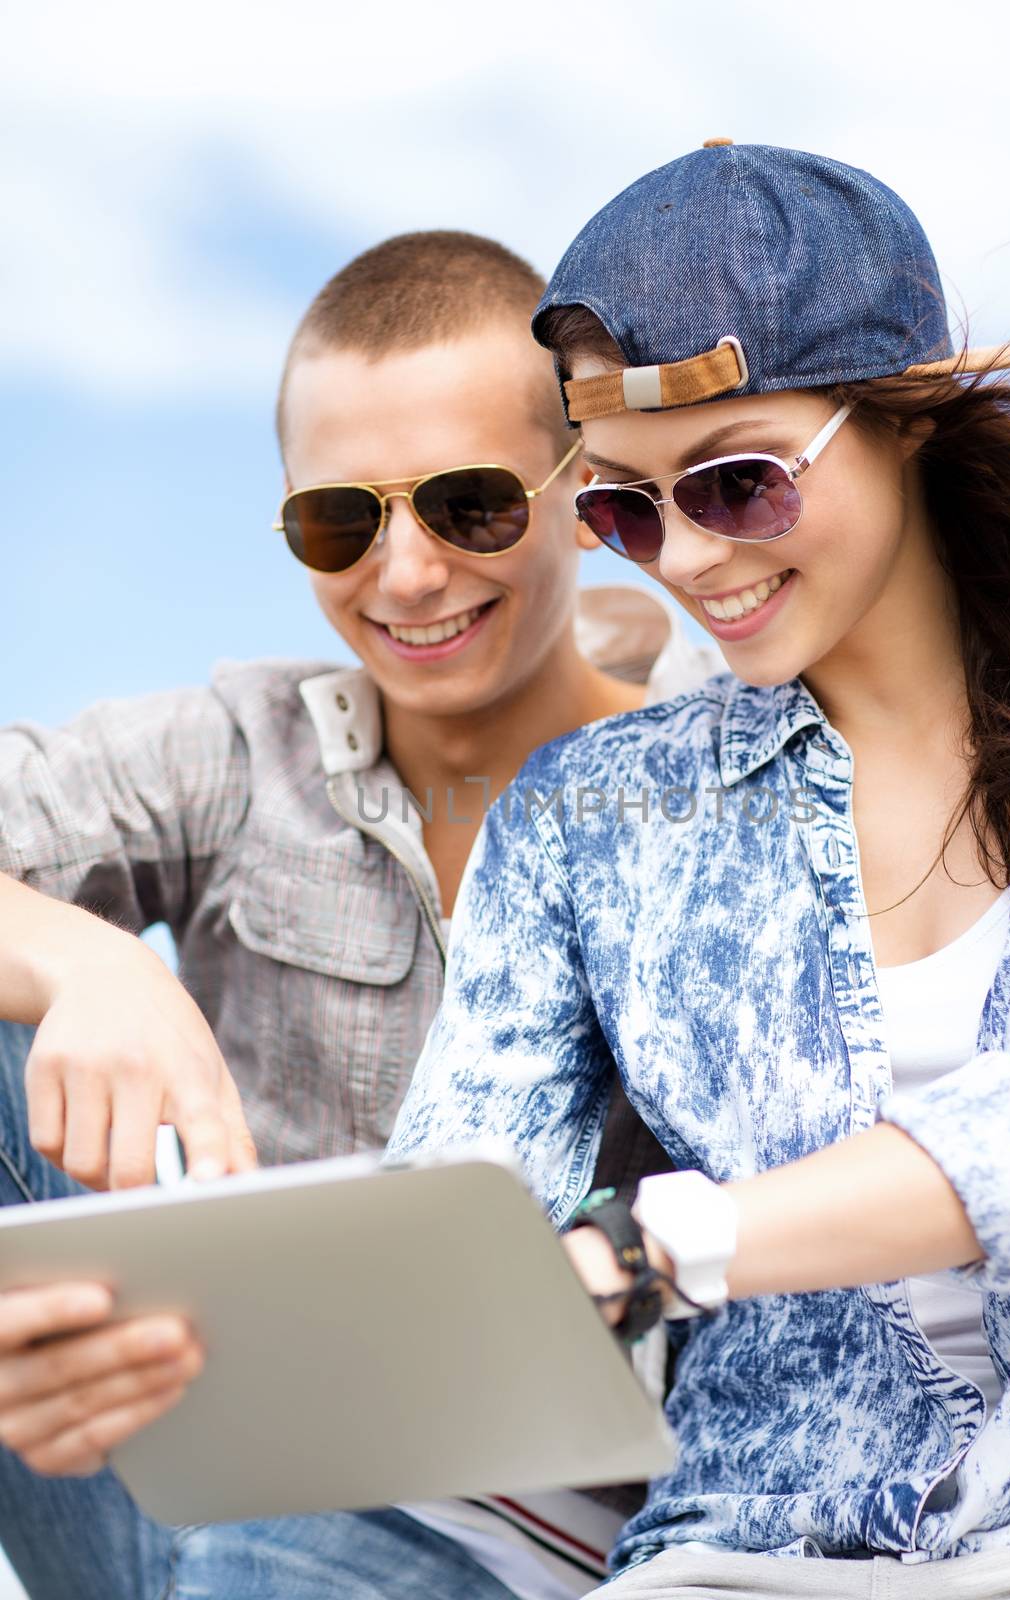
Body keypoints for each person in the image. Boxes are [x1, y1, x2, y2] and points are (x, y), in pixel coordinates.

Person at [385, 143, 1010, 1597]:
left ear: (905, 418)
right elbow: (459, 1190)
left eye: (737, 485)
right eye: (620, 509)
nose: (680, 557)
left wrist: (653, 1246)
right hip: (742, 1551)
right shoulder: (582, 819)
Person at [0, 230, 715, 1599]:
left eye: (470, 506)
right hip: (203, 1479)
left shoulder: (725, 783)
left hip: (553, 1531)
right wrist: (89, 961)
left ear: (581, 486)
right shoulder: (238, 751)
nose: (403, 576)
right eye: (339, 520)